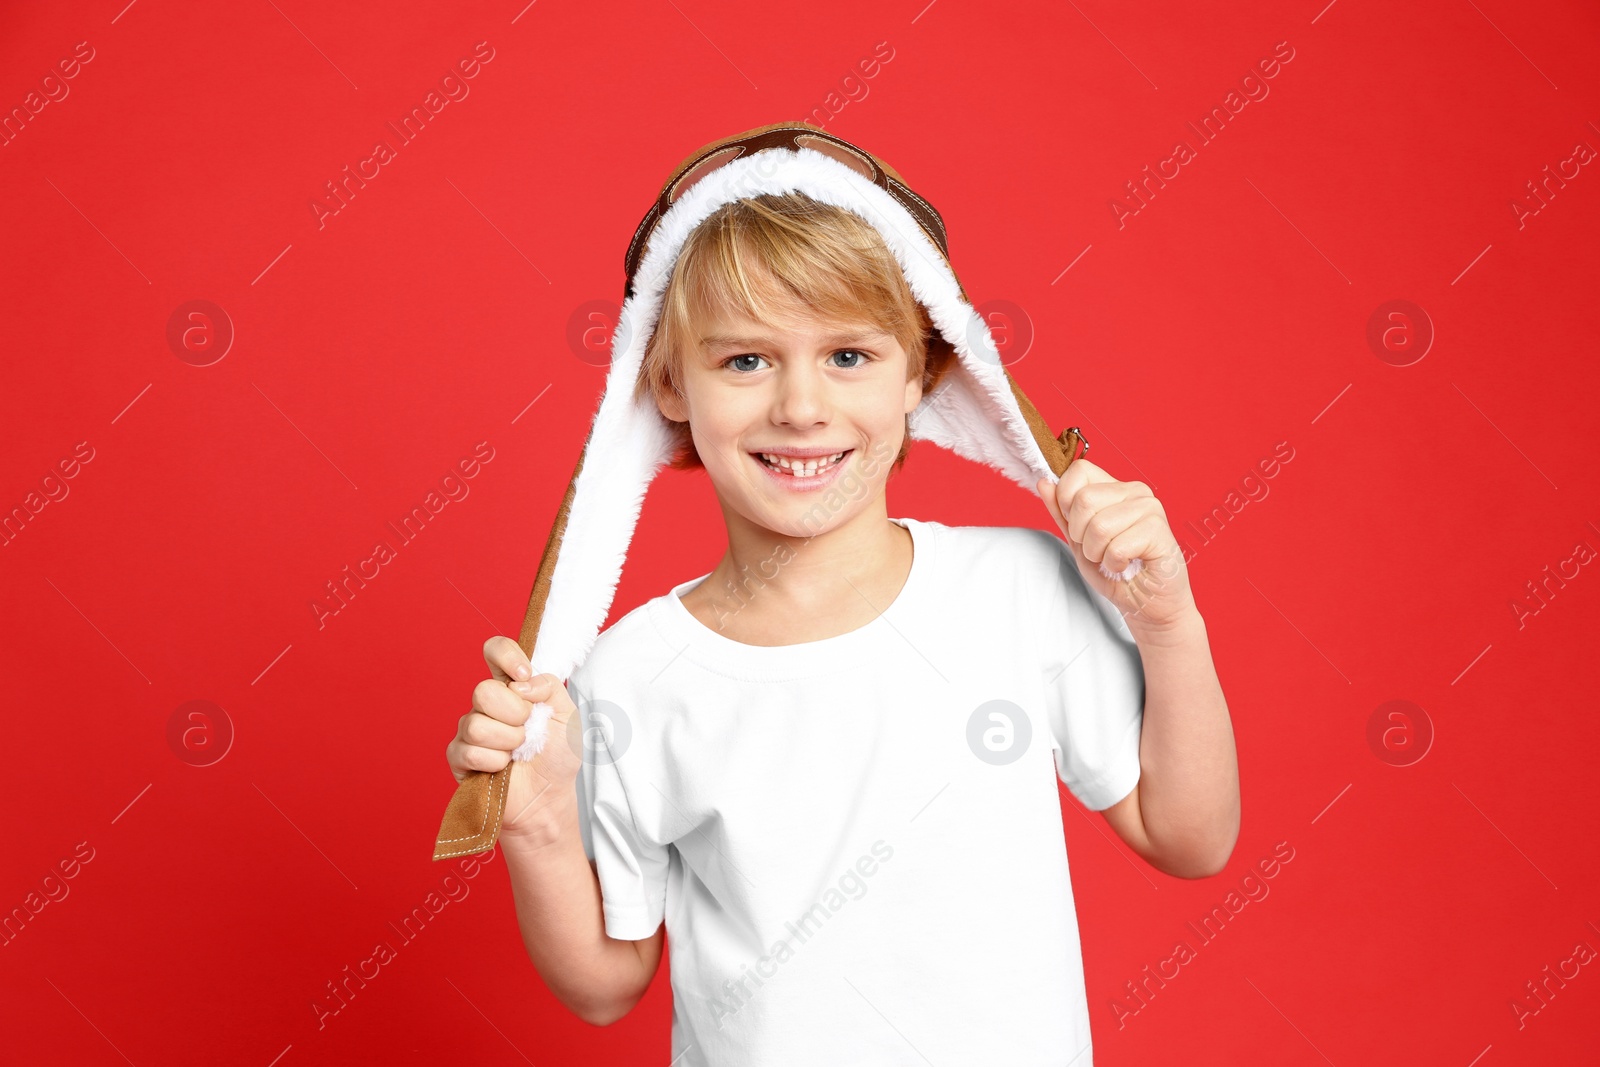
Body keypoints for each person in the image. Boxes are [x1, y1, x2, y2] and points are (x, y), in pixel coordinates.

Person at [444, 123, 1239, 1065]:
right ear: (666, 384)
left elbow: (1190, 837)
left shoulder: (1018, 589)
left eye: (849, 357)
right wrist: (535, 821)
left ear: (924, 372)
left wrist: (1168, 624)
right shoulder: (633, 674)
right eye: (744, 360)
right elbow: (609, 982)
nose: (801, 406)